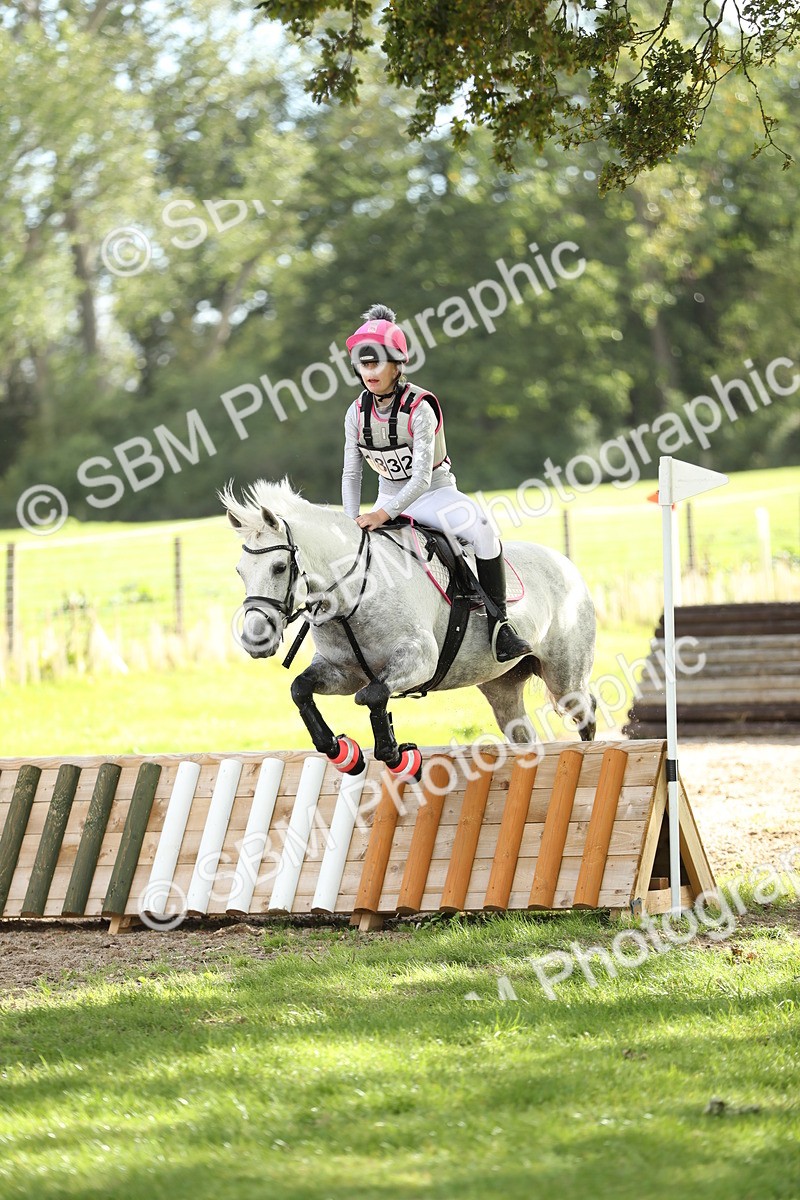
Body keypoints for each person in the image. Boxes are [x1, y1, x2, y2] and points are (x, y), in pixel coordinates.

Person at [341, 303, 532, 663]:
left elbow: (421, 478)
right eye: (363, 364)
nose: (369, 371)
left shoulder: (420, 408)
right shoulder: (355, 412)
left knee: (485, 530)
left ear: (398, 365)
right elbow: (352, 474)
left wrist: (382, 515)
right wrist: (352, 519)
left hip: (434, 494)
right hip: (388, 494)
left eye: (376, 363)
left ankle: (500, 626)